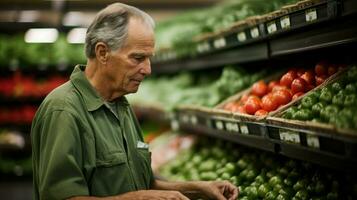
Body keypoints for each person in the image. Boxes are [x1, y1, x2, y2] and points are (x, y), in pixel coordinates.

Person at [31, 3, 239, 200]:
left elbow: (143, 184)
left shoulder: (121, 106)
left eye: (149, 58)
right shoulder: (63, 111)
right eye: (138, 58)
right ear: (103, 52)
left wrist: (198, 189)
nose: (147, 69)